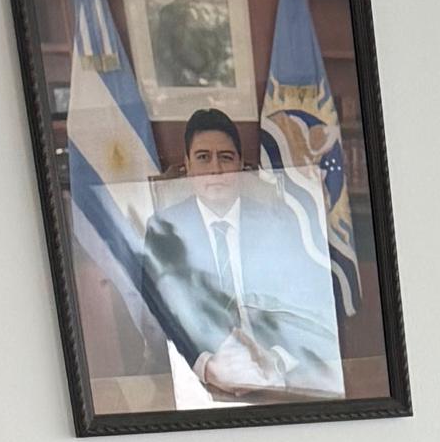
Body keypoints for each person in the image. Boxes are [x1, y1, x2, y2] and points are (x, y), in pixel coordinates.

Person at [142, 109, 342, 402]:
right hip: (199, 377)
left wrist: (277, 361)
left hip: (278, 375)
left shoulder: (277, 223)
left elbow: (309, 301)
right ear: (187, 165)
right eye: (203, 157)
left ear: (240, 164)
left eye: (225, 157)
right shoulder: (166, 229)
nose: (216, 169)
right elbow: (159, 311)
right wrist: (207, 366)